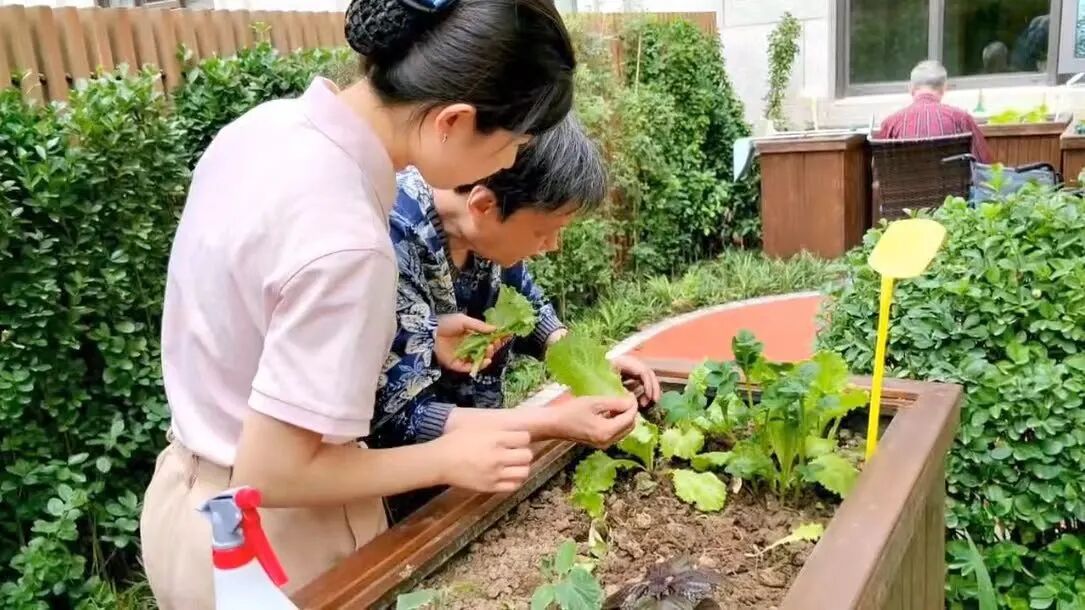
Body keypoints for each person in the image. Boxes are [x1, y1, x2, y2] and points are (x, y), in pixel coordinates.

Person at [139, 0, 637, 607]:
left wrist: (419, 334)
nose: (510, 162)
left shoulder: (259, 130)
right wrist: (446, 459)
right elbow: (273, 473)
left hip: (188, 507)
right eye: (513, 143)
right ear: (453, 121)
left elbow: (251, 325)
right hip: (278, 546)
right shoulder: (352, 241)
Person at [371, 114, 657, 522]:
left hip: (477, 469)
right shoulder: (389, 241)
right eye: (543, 231)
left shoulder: (484, 224)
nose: (552, 246)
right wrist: (555, 422)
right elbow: (403, 419)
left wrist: (593, 368)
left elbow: (528, 309)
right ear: (483, 206)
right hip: (401, 496)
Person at [877, 60, 993, 163]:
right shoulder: (961, 118)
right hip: (952, 181)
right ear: (944, 88)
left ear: (911, 88)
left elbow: (879, 167)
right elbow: (985, 164)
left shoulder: (891, 123)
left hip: (903, 181)